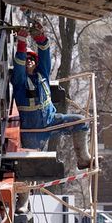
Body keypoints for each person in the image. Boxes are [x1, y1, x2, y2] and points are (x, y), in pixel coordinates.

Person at [11, 21, 94, 169]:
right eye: (26, 59)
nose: (29, 61)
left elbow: (45, 56)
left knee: (81, 122)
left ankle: (84, 159)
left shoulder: (42, 75)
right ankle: (24, 190)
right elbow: (18, 64)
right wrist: (22, 43)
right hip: (31, 131)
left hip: (51, 122)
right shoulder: (20, 81)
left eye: (32, 59)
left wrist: (40, 38)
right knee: (30, 166)